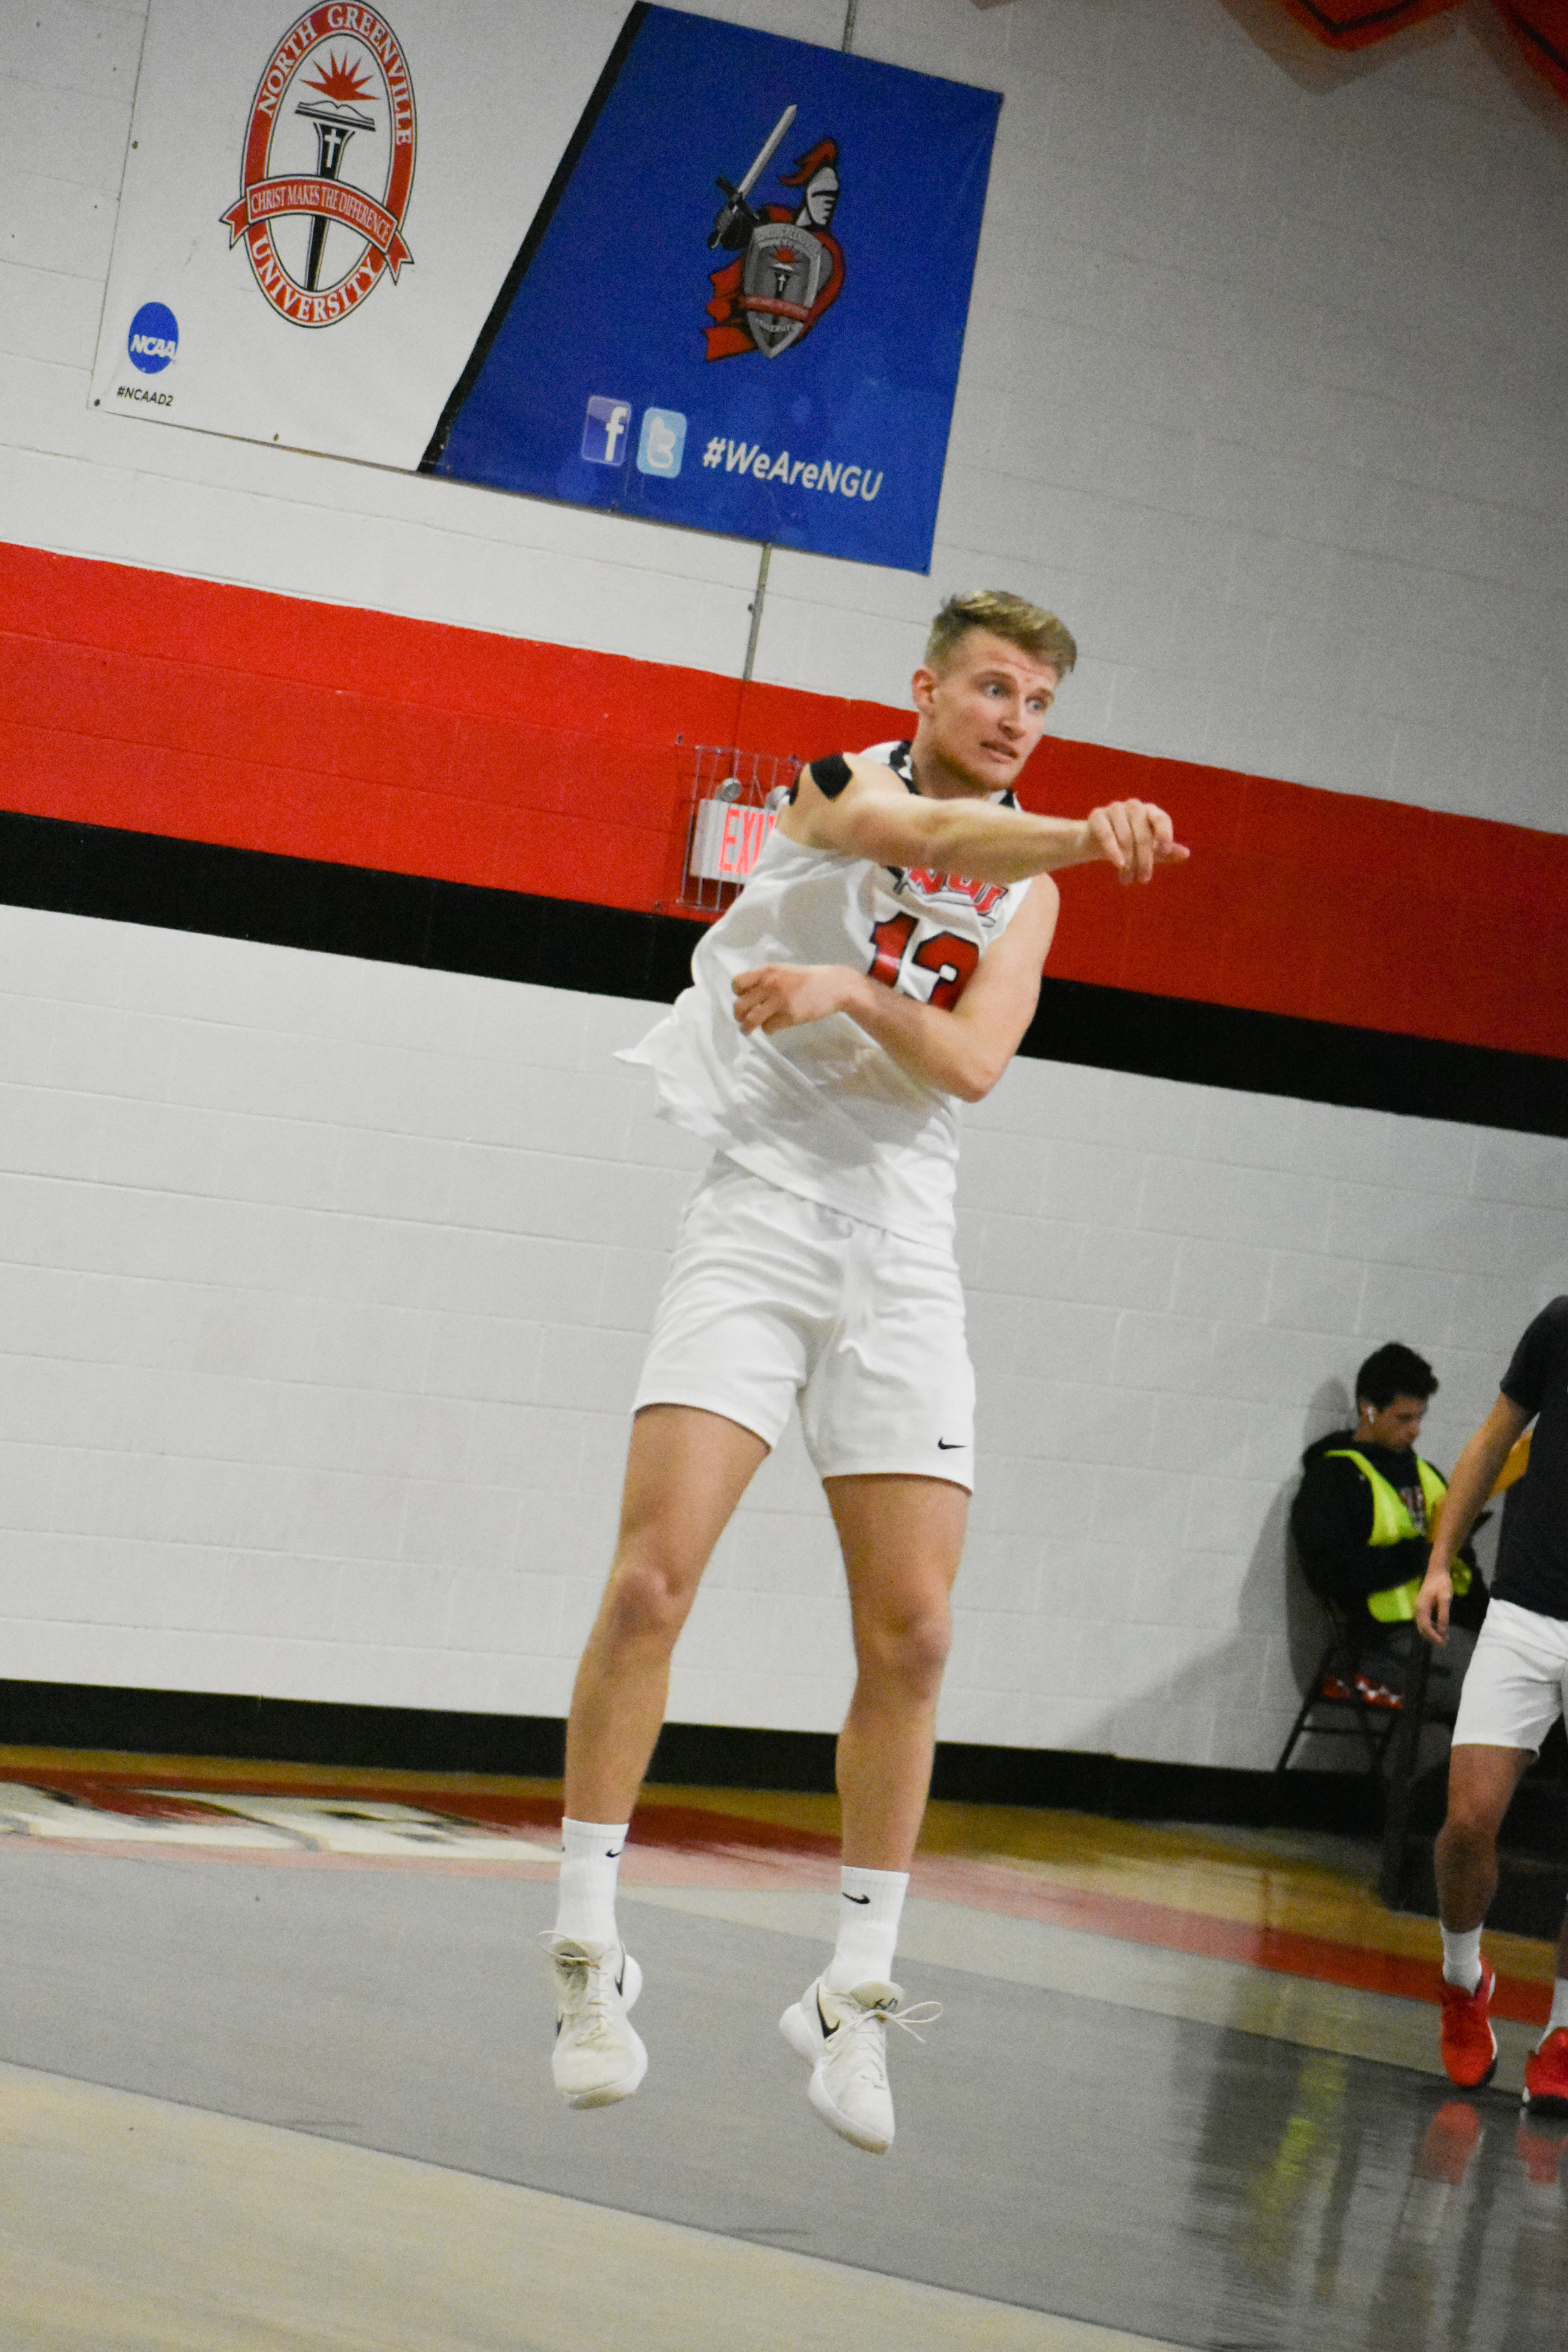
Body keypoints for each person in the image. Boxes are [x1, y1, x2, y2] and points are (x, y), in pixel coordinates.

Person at [544, 590, 1187, 2153]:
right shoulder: (840, 785)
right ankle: (584, 1950)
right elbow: (937, 841)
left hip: (901, 1249)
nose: (1015, 712)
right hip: (760, 1209)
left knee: (913, 1633)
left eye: (1037, 695)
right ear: (928, 687)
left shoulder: (1036, 891)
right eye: (990, 682)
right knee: (648, 1582)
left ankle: (853, 1986)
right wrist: (1085, 841)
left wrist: (852, 989)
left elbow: (971, 1063)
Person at [1416, 1296, 1568, 2112]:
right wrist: (1440, 1559)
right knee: (1466, 1823)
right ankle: (1462, 1978)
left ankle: (1566, 2028)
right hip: (1524, 1612)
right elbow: (1491, 1438)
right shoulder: (1560, 1323)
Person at [1291, 1343, 1485, 1710]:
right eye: (1404, 1418)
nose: (1415, 1431)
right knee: (1501, 1692)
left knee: (1542, 1673)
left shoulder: (1429, 1477)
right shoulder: (1334, 1478)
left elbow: (1465, 1570)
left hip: (1446, 1634)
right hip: (1379, 1644)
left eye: (1419, 1418)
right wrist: (1419, 1554)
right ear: (1369, 1410)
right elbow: (1330, 1575)